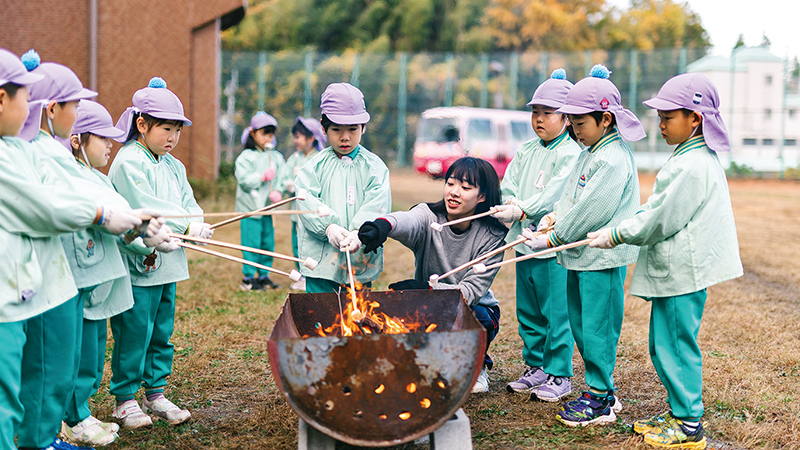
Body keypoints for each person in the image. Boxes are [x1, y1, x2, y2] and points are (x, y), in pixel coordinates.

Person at [587, 73, 743, 449]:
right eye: (660, 117)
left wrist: (617, 233)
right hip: (679, 271)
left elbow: (659, 218)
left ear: (695, 119)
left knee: (673, 345)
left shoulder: (692, 165)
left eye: (668, 117)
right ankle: (679, 411)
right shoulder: (690, 157)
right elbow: (659, 208)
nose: (660, 125)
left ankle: (689, 425)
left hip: (682, 273)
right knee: (663, 344)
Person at [0, 48, 142, 450]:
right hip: (14, 291)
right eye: (25, 97)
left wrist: (130, 218)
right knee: (10, 391)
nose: (30, 106)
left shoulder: (22, 148)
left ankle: (43, 441)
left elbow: (69, 192)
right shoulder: (16, 153)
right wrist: (100, 213)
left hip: (41, 280)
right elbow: (44, 205)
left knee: (48, 372)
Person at [523, 64, 645, 427]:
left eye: (580, 122)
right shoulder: (588, 152)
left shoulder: (611, 159)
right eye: (572, 122)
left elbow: (591, 212)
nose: (574, 129)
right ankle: (599, 389)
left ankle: (600, 398)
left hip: (602, 259)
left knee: (598, 328)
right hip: (580, 255)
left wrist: (553, 238)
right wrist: (553, 219)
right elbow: (570, 199)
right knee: (581, 325)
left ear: (605, 119)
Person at [61, 100, 171, 446]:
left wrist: (144, 229)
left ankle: (81, 412)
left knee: (93, 354)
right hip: (83, 280)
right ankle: (72, 416)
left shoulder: (98, 176)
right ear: (78, 140)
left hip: (101, 280)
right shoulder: (71, 175)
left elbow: (122, 215)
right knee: (78, 353)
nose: (111, 144)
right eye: (102, 139)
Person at [107, 77, 208, 429]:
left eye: (177, 130)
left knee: (162, 330)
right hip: (138, 261)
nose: (172, 137)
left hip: (170, 262)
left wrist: (197, 224)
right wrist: (185, 226)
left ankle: (156, 391)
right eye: (166, 128)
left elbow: (187, 202)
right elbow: (148, 207)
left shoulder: (174, 165)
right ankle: (125, 398)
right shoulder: (128, 162)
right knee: (135, 329)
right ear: (142, 125)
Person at [358, 157, 506, 393]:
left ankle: (477, 366)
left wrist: (426, 290)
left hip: (473, 310)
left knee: (477, 316)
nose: (454, 193)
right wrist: (383, 226)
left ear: (483, 197)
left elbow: (471, 292)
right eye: (450, 184)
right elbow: (407, 221)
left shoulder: (493, 236)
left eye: (465, 188)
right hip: (426, 306)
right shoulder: (430, 216)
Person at [492, 69, 581, 401]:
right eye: (535, 112)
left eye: (548, 112)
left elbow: (554, 193)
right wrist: (511, 202)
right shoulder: (527, 149)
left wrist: (523, 207)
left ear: (568, 118)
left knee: (556, 311)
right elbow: (509, 183)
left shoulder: (571, 153)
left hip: (553, 246)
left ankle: (559, 373)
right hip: (522, 242)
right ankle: (536, 366)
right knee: (528, 310)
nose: (540, 119)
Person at [294, 83, 391, 294]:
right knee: (319, 311)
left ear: (364, 127)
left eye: (352, 129)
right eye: (336, 129)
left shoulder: (374, 167)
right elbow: (305, 198)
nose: (344, 137)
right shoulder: (314, 166)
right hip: (321, 258)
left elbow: (379, 202)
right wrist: (328, 227)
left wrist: (360, 232)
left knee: (355, 312)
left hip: (359, 255)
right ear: (323, 127)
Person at [235, 112, 286, 291]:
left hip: (267, 208)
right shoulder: (246, 157)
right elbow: (244, 180)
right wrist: (261, 177)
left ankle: (264, 275)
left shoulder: (276, 157)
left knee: (267, 243)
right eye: (264, 133)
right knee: (251, 243)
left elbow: (282, 176)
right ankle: (249, 278)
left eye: (271, 134)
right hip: (250, 208)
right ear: (253, 133)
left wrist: (279, 191)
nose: (268, 138)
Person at [284, 116, 326, 291]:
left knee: (312, 244)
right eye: (295, 136)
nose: (296, 140)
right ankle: (302, 274)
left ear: (312, 138)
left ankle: (313, 275)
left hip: (313, 212)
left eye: (299, 136)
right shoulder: (294, 158)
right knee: (297, 243)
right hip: (296, 212)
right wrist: (288, 183)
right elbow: (284, 177)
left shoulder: (320, 158)